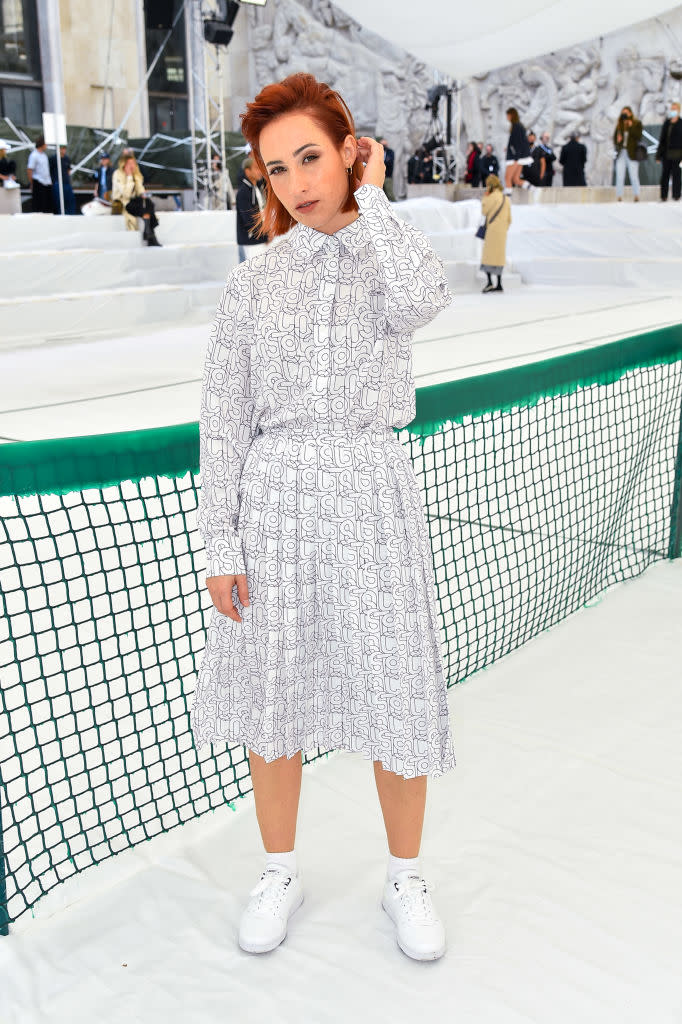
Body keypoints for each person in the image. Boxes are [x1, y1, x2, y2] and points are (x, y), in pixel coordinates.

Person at [189, 70, 456, 962]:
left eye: (312, 156)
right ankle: (278, 868)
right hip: (275, 500)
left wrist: (374, 198)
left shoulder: (387, 255)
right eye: (276, 169)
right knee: (274, 691)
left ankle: (406, 877)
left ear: (350, 151)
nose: (298, 182)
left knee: (397, 685)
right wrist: (219, 542)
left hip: (372, 490)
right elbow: (224, 418)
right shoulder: (255, 282)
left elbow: (422, 299)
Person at [111, 153, 161, 245]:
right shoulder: (117, 174)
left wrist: (143, 193)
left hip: (134, 200)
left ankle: (148, 232)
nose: (132, 166)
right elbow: (126, 194)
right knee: (147, 209)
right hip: (123, 202)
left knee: (149, 203)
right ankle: (150, 236)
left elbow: (139, 189)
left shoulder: (136, 174)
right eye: (130, 164)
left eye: (133, 163)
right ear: (124, 164)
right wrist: (129, 177)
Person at [479, 173, 511, 292]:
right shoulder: (505, 198)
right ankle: (499, 283)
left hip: (492, 230)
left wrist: (485, 197)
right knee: (499, 257)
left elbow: (484, 211)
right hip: (502, 231)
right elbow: (509, 218)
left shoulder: (490, 197)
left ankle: (489, 282)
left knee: (488, 257)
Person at [235, 156, 268, 262]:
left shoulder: (257, 189)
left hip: (258, 240)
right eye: (256, 168)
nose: (260, 171)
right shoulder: (243, 192)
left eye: (260, 168)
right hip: (250, 241)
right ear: (247, 171)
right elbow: (249, 220)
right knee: (251, 274)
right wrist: (264, 235)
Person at [613, 106, 643, 202]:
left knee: (633, 175)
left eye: (626, 113)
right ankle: (619, 196)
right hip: (621, 152)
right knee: (619, 175)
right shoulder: (619, 125)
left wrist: (630, 126)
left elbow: (639, 136)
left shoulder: (636, 123)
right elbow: (615, 139)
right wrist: (618, 141)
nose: (624, 115)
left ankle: (636, 194)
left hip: (632, 153)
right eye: (623, 113)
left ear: (630, 113)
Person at [656, 101, 682, 202]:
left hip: (678, 154)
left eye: (675, 109)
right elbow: (662, 139)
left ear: (678, 110)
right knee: (665, 176)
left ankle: (676, 195)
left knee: (676, 176)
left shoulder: (681, 123)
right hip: (666, 154)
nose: (673, 111)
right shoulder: (667, 123)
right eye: (672, 109)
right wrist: (658, 155)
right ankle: (663, 196)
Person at [504, 107, 532, 193]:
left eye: (508, 115)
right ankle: (533, 189)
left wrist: (516, 157)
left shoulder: (516, 127)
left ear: (511, 115)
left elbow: (519, 144)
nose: (507, 117)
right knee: (516, 179)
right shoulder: (518, 126)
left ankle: (507, 199)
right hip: (518, 156)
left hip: (515, 157)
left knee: (507, 178)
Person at [27, 136, 53, 213]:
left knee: (47, 205)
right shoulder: (34, 155)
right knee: (39, 204)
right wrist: (32, 183)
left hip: (46, 182)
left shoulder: (44, 155)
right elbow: (29, 169)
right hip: (38, 182)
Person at [48, 144, 76, 215]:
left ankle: (70, 214)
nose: (63, 150)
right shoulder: (53, 159)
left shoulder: (67, 159)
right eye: (61, 148)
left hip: (66, 183)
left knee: (70, 200)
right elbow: (49, 170)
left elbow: (68, 170)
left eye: (64, 149)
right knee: (59, 201)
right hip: (57, 183)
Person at [379, 136, 395, 200]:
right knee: (382, 193)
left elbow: (390, 161)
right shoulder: (379, 152)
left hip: (388, 175)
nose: (383, 146)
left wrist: (382, 163)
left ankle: (395, 204)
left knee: (389, 192)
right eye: (382, 144)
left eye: (384, 145)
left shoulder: (390, 152)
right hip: (380, 175)